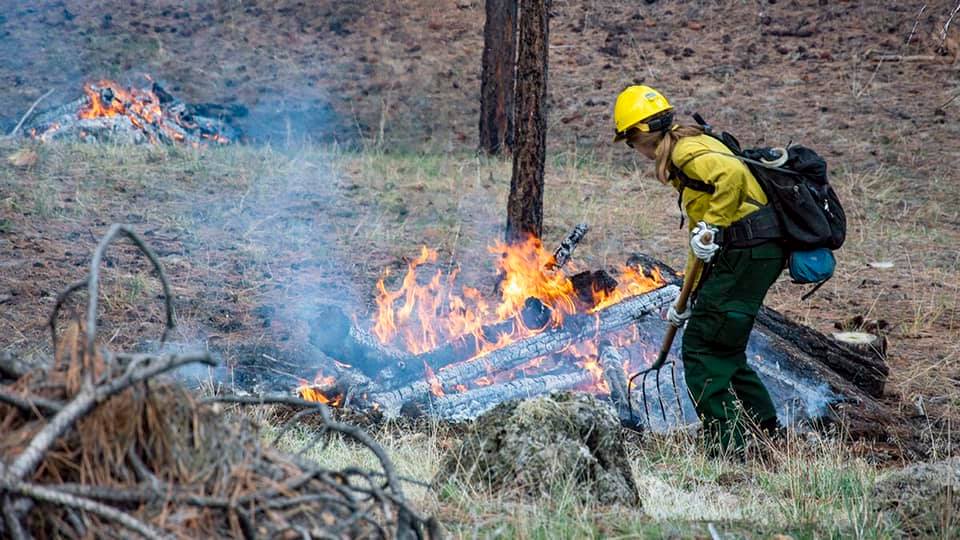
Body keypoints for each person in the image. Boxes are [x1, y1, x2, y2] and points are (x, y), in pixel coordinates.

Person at [613, 85, 784, 453]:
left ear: (640, 133)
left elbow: (733, 177)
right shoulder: (686, 149)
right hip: (751, 252)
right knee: (725, 347)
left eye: (630, 142)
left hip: (749, 251)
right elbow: (700, 240)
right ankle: (766, 430)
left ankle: (727, 445)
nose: (635, 151)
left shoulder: (687, 152)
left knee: (700, 347)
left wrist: (715, 225)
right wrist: (685, 298)